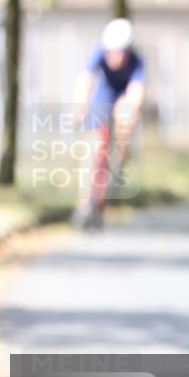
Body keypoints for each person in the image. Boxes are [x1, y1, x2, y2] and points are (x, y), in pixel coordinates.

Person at [71, 18, 145, 227]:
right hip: (102, 99)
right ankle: (85, 203)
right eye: (111, 51)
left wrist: (129, 114)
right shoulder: (99, 53)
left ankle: (117, 169)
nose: (115, 57)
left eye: (120, 52)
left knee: (124, 118)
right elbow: (85, 80)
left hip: (123, 98)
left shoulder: (137, 62)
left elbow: (136, 91)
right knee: (92, 149)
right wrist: (79, 106)